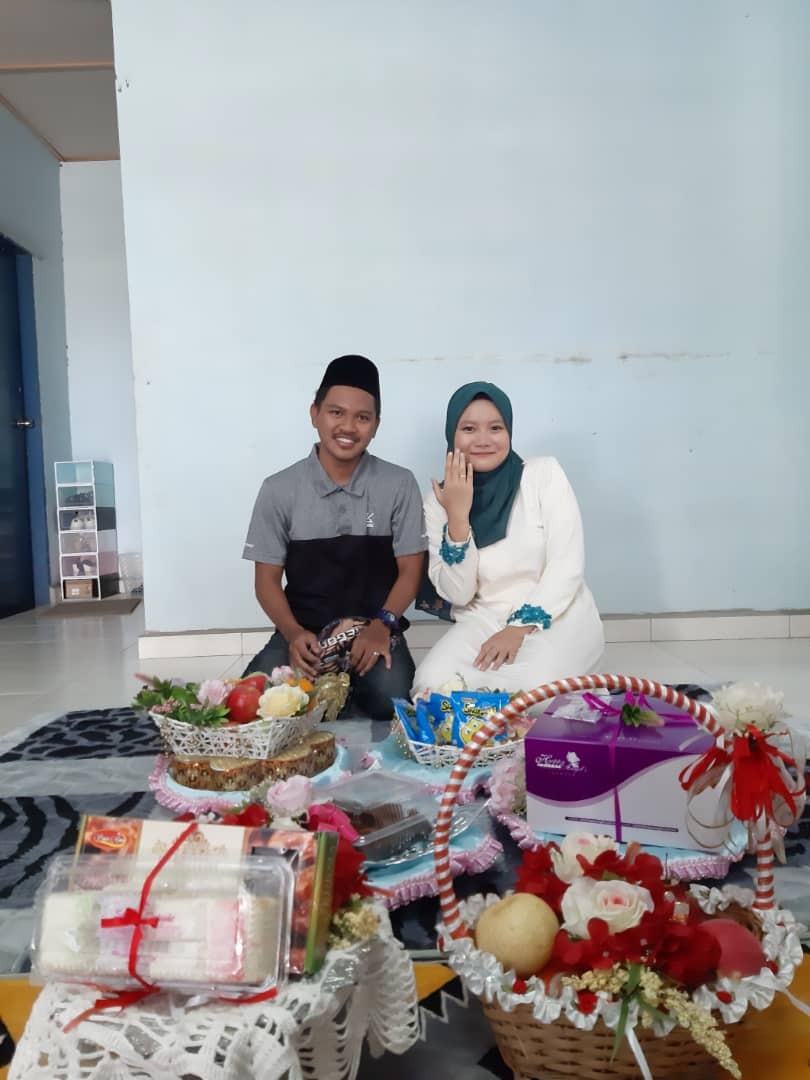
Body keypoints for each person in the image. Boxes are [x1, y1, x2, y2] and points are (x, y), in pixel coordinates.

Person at [242, 355, 426, 720]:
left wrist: (382, 626)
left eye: (363, 417)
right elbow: (266, 582)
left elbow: (411, 571)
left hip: (376, 627)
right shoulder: (279, 489)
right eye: (336, 412)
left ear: (376, 425)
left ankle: (344, 685)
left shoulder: (399, 484)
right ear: (315, 414)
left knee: (388, 702)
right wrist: (292, 634)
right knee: (253, 700)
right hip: (304, 632)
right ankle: (334, 683)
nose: (348, 427)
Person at [412, 381, 604, 694]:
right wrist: (458, 517)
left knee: (532, 692)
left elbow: (566, 565)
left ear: (509, 431)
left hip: (557, 615)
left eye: (496, 428)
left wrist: (517, 628)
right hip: (482, 619)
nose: (483, 440)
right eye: (469, 429)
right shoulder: (437, 503)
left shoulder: (543, 475)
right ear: (452, 434)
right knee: (430, 685)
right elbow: (459, 594)